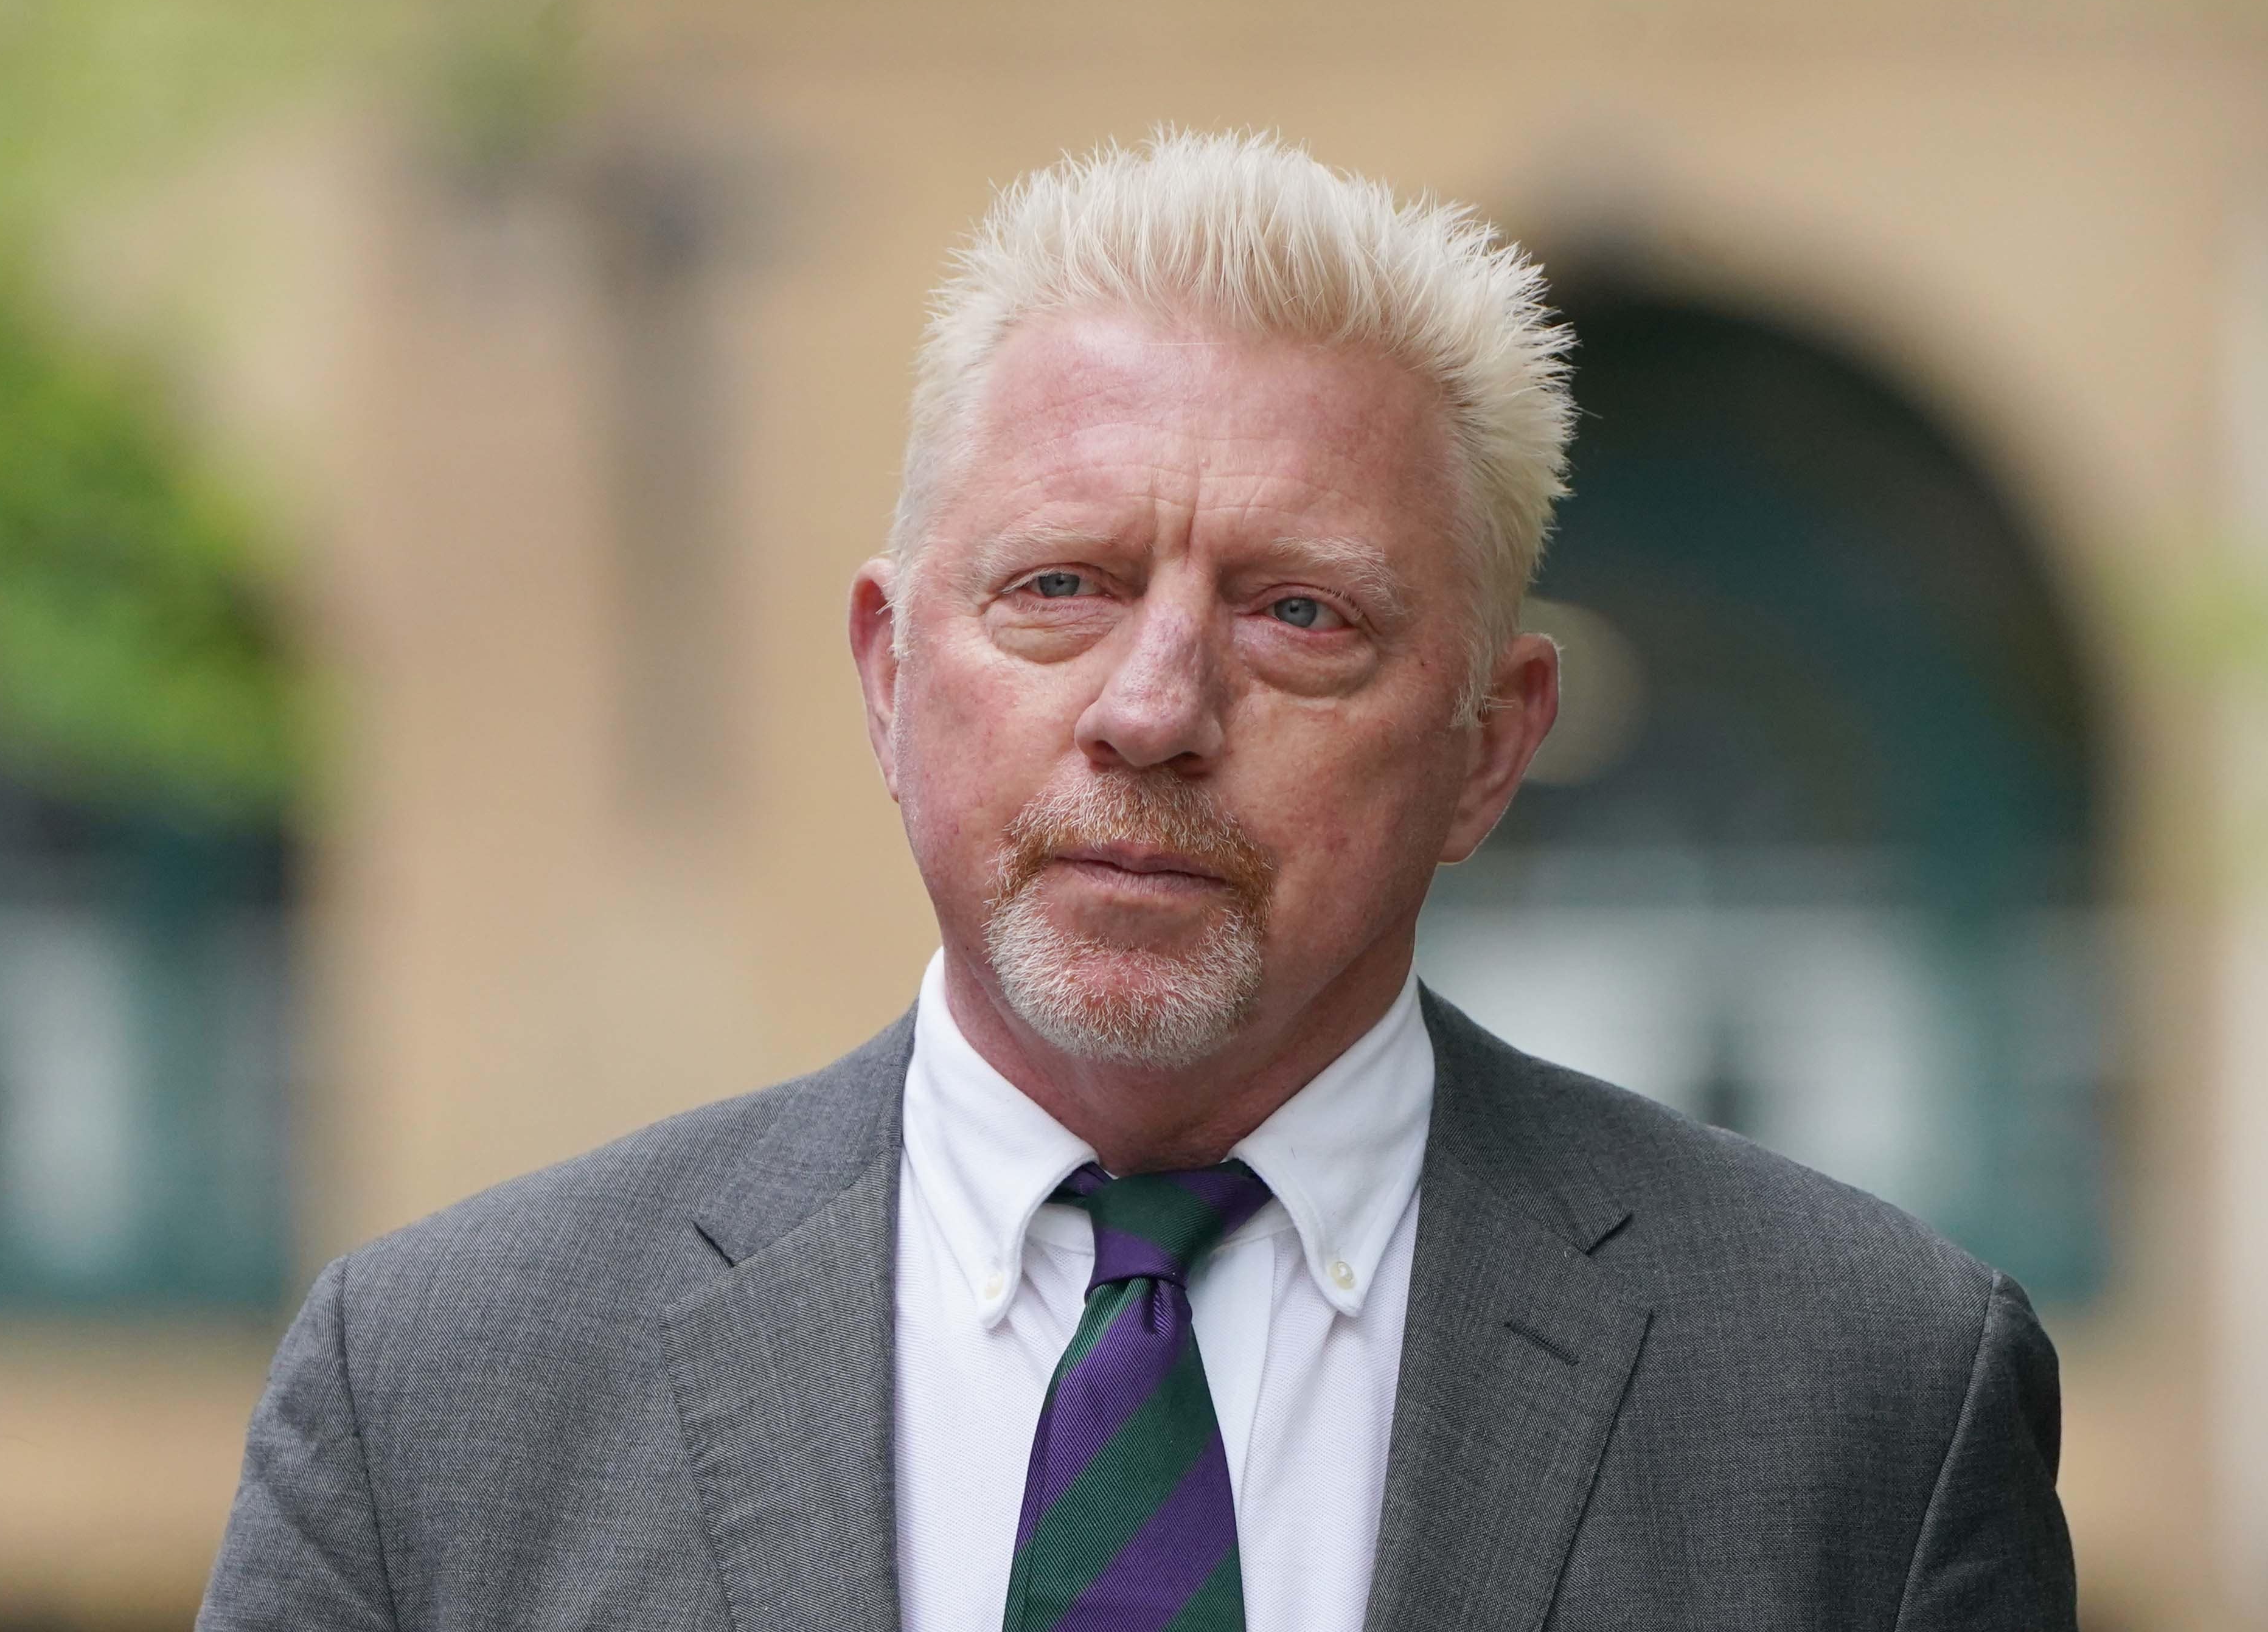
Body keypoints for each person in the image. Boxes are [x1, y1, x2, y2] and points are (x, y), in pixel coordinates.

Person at [198, 130, 2075, 1632]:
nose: (1154, 708)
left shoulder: (1861, 1405)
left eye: (1299, 615)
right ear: (888, 674)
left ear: (1487, 747)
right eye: (1058, 590)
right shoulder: (439, 1399)